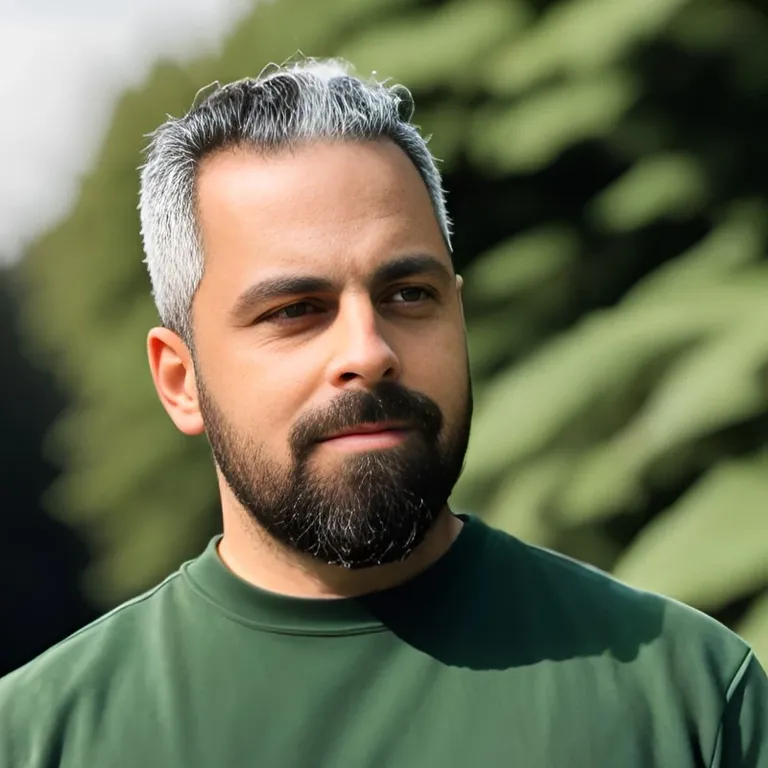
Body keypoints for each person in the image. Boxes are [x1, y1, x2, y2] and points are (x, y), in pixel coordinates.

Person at [1, 57, 766, 768]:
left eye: (408, 295)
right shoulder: (43, 737)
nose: (369, 350)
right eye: (296, 310)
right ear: (180, 380)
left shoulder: (689, 695)